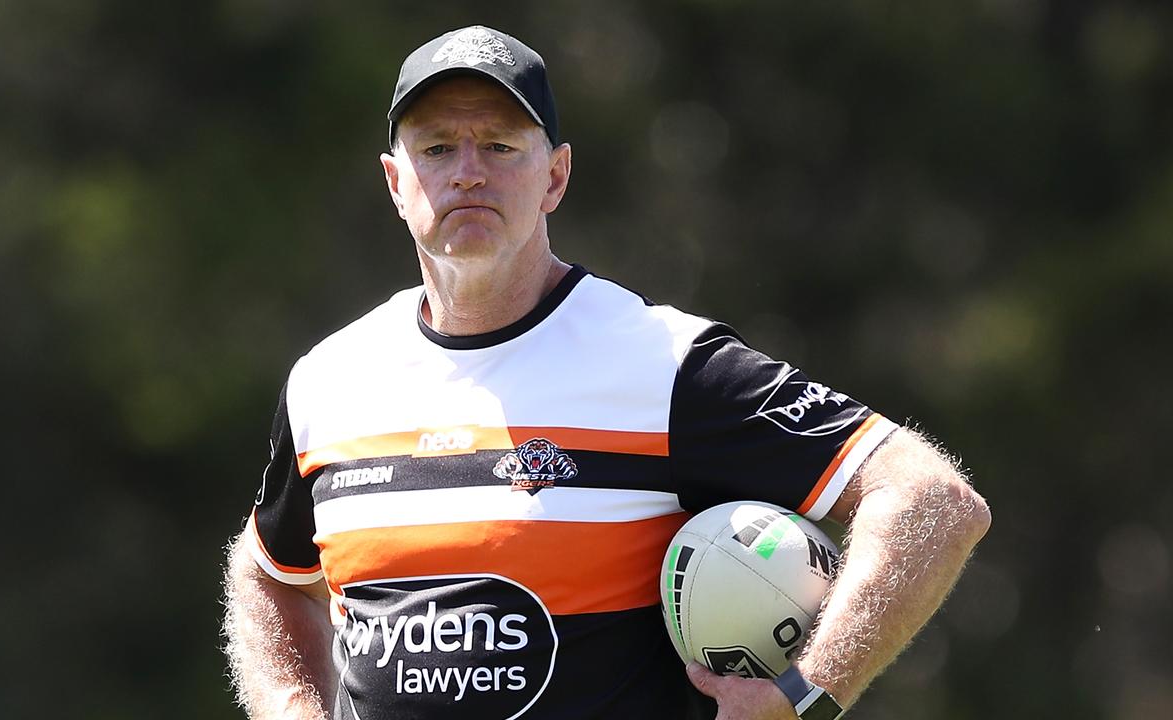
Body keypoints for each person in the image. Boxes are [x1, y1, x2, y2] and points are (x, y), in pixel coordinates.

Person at [221, 25, 990, 720]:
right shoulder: (328, 381)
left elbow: (931, 499)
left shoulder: (664, 365)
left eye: (499, 146)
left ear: (554, 177)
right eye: (436, 148)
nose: (467, 173)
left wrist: (809, 695)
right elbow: (268, 575)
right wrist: (291, 707)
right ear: (396, 183)